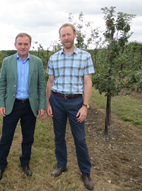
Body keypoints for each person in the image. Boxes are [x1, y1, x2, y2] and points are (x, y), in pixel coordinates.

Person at [46, 23, 94, 190]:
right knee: (59, 136)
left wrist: (85, 105)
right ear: (60, 38)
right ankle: (62, 164)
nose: (66, 38)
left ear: (74, 35)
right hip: (57, 101)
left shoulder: (85, 56)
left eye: (68, 34)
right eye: (63, 35)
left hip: (76, 102)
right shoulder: (54, 58)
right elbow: (50, 81)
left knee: (79, 139)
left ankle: (85, 172)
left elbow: (88, 82)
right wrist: (48, 103)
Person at [0, 33, 46, 181]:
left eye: (26, 44)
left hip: (30, 106)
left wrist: (41, 104)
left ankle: (25, 162)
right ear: (15, 45)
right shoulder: (7, 61)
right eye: (20, 44)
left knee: (28, 137)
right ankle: (1, 165)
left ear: (30, 45)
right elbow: (2, 84)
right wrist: (1, 104)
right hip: (13, 105)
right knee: (6, 138)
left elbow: (41, 85)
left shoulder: (37, 62)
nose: (23, 47)